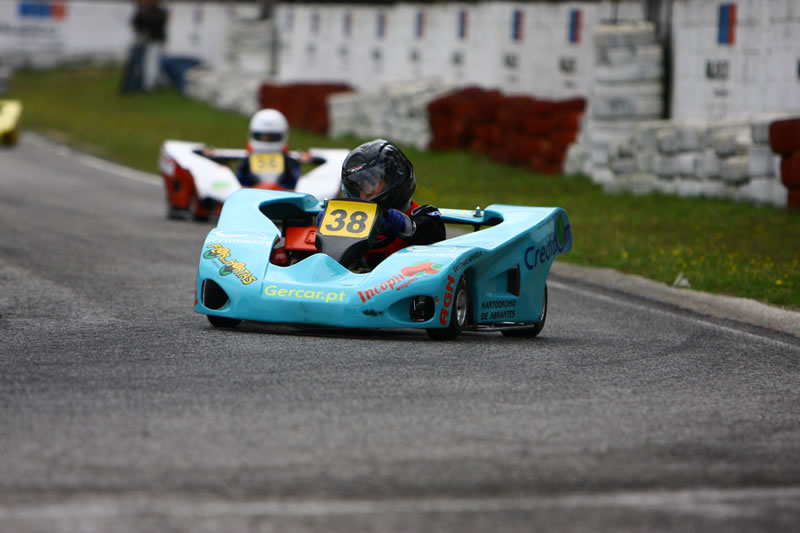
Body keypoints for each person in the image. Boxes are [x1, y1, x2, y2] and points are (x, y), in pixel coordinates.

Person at [320, 139, 446, 268]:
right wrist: (327, 226)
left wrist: (403, 224)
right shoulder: (354, 221)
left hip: (406, 280)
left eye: (373, 183)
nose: (366, 192)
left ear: (395, 176)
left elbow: (434, 233)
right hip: (357, 282)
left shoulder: (424, 215)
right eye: (360, 187)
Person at [237, 109, 301, 190]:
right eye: (263, 136)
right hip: (250, 196)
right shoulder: (245, 163)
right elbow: (239, 183)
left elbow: (295, 183)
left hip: (283, 196)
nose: (266, 140)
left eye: (271, 137)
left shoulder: (290, 163)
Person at [123, 0, 168, 93]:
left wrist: (142, 16)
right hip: (149, 41)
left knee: (154, 63)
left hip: (156, 40)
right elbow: (137, 24)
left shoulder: (158, 12)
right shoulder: (145, 12)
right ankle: (150, 84)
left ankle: (152, 84)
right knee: (149, 64)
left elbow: (155, 23)